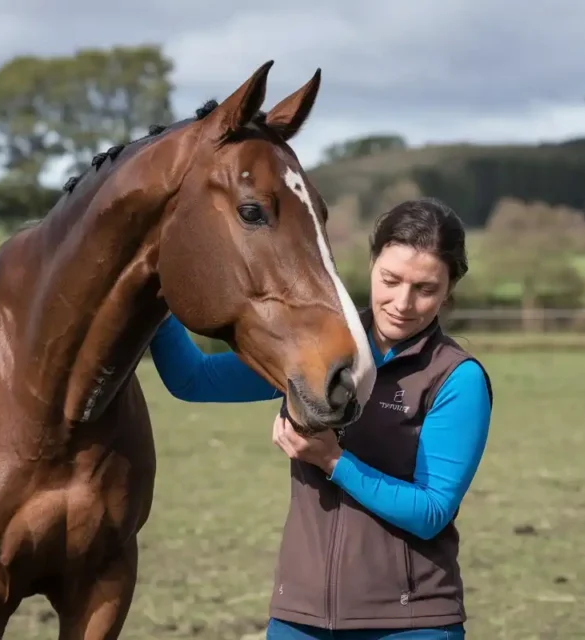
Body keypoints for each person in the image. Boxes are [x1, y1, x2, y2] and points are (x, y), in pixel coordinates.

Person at [148, 197, 493, 640]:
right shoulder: (316, 350)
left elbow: (430, 512)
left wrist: (333, 462)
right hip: (300, 616)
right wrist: (154, 298)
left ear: (450, 289)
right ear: (372, 264)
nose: (402, 303)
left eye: (425, 289)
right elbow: (194, 380)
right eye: (390, 280)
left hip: (409, 623)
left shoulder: (456, 378)